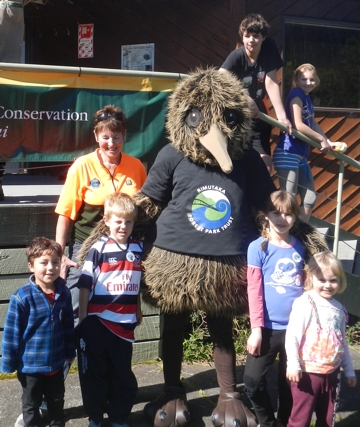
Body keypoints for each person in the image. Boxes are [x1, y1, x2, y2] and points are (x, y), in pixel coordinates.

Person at [55, 105, 147, 327]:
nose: (111, 143)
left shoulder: (136, 167)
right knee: (75, 310)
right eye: (105, 137)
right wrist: (60, 256)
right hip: (85, 249)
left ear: (124, 136)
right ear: (96, 136)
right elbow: (65, 214)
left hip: (124, 252)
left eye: (116, 137)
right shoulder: (82, 166)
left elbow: (146, 213)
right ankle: (69, 359)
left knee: (118, 310)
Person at [76, 193, 143, 427]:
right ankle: (95, 417)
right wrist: (84, 318)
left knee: (122, 375)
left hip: (125, 326)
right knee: (95, 374)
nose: (123, 226)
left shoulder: (139, 248)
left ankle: (119, 418)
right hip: (98, 321)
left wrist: (139, 309)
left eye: (128, 221)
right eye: (118, 221)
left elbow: (138, 285)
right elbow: (85, 284)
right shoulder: (99, 248)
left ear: (134, 223)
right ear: (106, 220)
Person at [244, 190, 305, 427]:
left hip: (296, 330)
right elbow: (254, 290)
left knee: (289, 382)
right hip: (267, 329)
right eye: (276, 213)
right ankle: (267, 422)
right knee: (251, 380)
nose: (282, 219)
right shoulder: (258, 248)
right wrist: (256, 328)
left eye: (288, 214)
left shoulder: (301, 247)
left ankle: (284, 422)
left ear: (295, 217)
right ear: (265, 215)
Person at [1, 237, 75, 427]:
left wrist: (69, 351)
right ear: (31, 266)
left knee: (56, 402)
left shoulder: (64, 293)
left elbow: (68, 325)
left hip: (56, 364)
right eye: (44, 262)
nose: (50, 267)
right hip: (30, 367)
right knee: (31, 404)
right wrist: (8, 363)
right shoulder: (22, 297)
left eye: (55, 262)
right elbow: (11, 333)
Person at [285, 251, 357, 427]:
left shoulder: (339, 309)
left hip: (332, 373)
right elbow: (293, 335)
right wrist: (293, 364)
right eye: (322, 280)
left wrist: (349, 370)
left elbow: (342, 342)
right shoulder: (305, 303)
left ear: (340, 281)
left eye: (333, 280)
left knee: (327, 418)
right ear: (311, 277)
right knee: (300, 418)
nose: (328, 285)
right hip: (307, 373)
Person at [220, 13, 292, 173]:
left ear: (263, 37)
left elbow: (271, 81)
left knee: (265, 167)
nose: (251, 40)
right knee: (236, 165)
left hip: (258, 117)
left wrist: (282, 117)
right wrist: (245, 98)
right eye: (247, 36)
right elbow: (219, 80)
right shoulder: (236, 57)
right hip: (236, 119)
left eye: (256, 36)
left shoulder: (269, 48)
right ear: (242, 37)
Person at [273, 64, 332, 222]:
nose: (308, 82)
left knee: (310, 198)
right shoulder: (296, 94)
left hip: (300, 155)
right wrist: (320, 140)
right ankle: (284, 232)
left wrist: (326, 140)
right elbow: (299, 124)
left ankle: (300, 231)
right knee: (288, 198)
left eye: (312, 79)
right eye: (304, 79)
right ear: (296, 80)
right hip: (288, 151)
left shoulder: (306, 97)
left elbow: (312, 123)